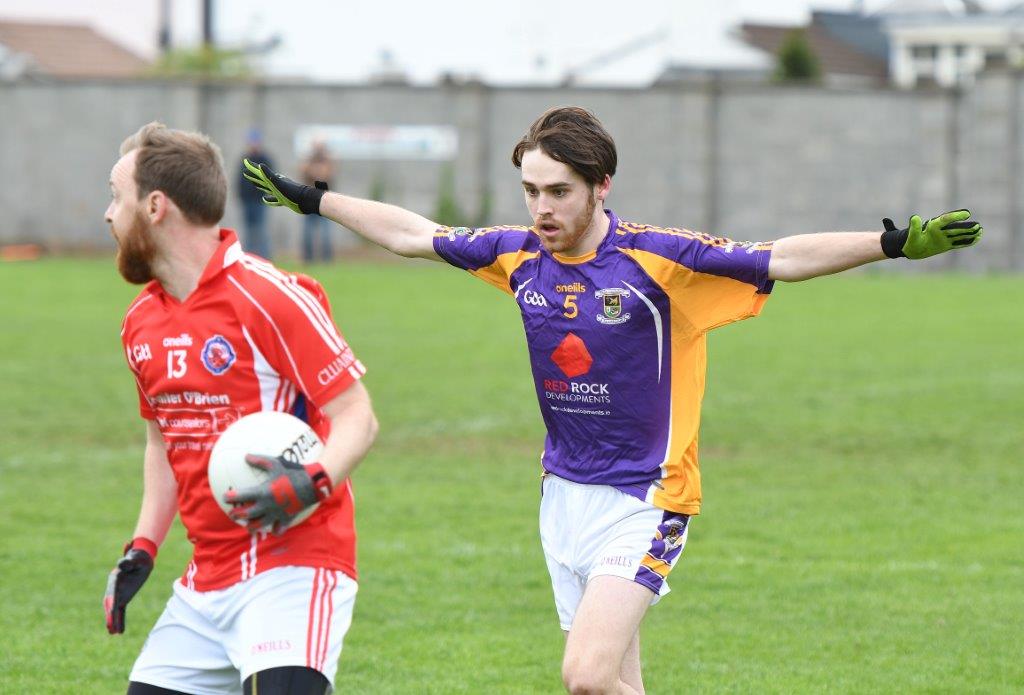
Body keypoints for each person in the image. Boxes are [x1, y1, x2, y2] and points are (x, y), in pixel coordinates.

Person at [243, 106, 982, 695]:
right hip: (562, 497)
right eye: (531, 190)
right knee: (618, 683)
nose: (541, 207)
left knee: (587, 675)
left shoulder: (662, 258)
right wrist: (315, 200)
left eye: (558, 190)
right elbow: (416, 235)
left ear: (602, 186)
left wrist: (889, 245)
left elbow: (778, 256)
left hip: (646, 498)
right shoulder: (518, 255)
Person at [104, 121, 378, 695]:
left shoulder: (270, 296)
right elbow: (163, 443)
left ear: (155, 207)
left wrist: (312, 480)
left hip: (296, 565)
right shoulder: (140, 323)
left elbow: (357, 415)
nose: (108, 215)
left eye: (116, 196)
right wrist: (142, 548)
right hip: (207, 580)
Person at [236, 128, 275, 259]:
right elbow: (240, 179)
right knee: (248, 230)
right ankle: (248, 256)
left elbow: (272, 179)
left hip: (260, 200)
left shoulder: (265, 159)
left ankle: (264, 256)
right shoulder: (245, 158)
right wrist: (241, 196)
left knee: (261, 230)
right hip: (247, 201)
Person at [299, 138, 336, 263]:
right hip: (309, 201)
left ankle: (327, 259)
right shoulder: (309, 160)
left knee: (326, 234)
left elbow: (325, 175)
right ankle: (308, 259)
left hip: (325, 201)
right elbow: (304, 171)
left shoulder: (327, 160)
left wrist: (315, 170)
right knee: (307, 233)